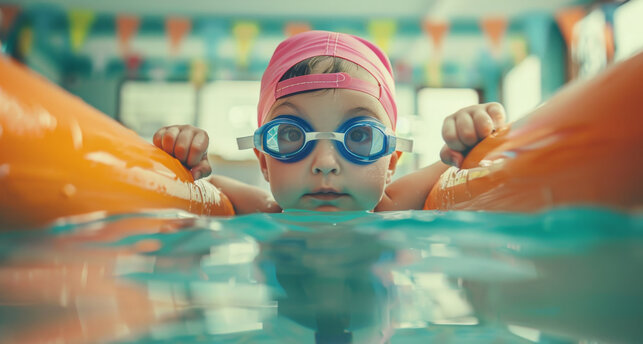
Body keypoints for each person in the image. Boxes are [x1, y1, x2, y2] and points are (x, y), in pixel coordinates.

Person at [153, 30, 506, 214]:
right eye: (291, 136)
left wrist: (474, 131)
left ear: (391, 164)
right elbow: (203, 182)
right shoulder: (264, 212)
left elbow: (462, 163)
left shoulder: (392, 207)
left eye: (360, 138)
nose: (324, 165)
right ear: (264, 160)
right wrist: (183, 154)